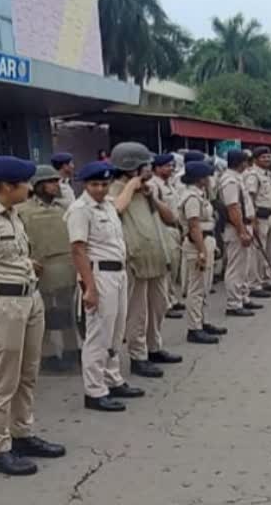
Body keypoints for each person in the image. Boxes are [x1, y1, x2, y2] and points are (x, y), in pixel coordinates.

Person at [0, 156, 64, 476]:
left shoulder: (13, 215)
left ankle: (21, 433)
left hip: (28, 300)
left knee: (27, 374)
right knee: (2, 381)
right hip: (0, 306)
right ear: (6, 186)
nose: (30, 188)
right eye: (25, 184)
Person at [65, 161, 145, 412]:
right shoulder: (80, 209)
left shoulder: (107, 205)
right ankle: (95, 391)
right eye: (94, 184)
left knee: (114, 331)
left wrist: (132, 184)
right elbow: (78, 250)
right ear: (85, 185)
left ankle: (112, 379)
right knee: (98, 335)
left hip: (118, 273)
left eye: (103, 184)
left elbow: (120, 203)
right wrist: (90, 287)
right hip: (99, 275)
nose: (99, 188)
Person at [109, 142, 182, 379]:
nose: (149, 169)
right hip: (135, 259)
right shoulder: (116, 190)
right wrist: (132, 186)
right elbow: (116, 210)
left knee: (159, 305)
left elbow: (171, 218)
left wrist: (152, 197)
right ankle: (138, 356)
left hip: (156, 257)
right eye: (145, 165)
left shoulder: (149, 190)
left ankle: (154, 346)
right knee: (137, 312)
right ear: (132, 167)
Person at [17, 165, 80, 374]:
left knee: (68, 312)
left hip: (66, 267)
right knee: (42, 314)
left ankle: (72, 349)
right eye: (50, 182)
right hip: (39, 269)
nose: (55, 185)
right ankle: (47, 354)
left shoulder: (65, 208)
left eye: (56, 181)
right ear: (38, 185)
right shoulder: (22, 211)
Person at [178, 161, 227, 344]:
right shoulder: (191, 197)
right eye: (207, 176)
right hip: (197, 243)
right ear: (200, 179)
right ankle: (194, 328)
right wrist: (201, 251)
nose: (209, 179)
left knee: (204, 286)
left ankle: (202, 322)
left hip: (206, 240)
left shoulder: (200, 195)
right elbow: (194, 226)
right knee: (196, 289)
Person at [219, 150, 262, 317]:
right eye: (246, 161)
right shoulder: (229, 180)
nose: (248, 164)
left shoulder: (237, 178)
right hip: (236, 228)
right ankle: (233, 304)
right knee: (236, 268)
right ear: (241, 162)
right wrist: (242, 231)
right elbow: (233, 208)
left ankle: (243, 298)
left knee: (245, 266)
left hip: (245, 225)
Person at [147, 153, 185, 319]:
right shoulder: (153, 185)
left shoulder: (169, 184)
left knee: (174, 266)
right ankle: (166, 303)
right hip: (164, 229)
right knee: (168, 267)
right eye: (167, 166)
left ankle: (172, 298)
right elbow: (154, 210)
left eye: (171, 166)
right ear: (157, 168)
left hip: (175, 227)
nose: (170, 168)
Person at [244, 148, 271, 295]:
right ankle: (254, 284)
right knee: (257, 253)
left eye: (268, 157)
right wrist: (253, 220)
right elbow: (250, 198)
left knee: (269, 251)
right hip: (259, 217)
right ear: (255, 159)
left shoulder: (268, 175)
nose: (267, 160)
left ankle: (267, 279)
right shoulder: (253, 175)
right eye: (263, 157)